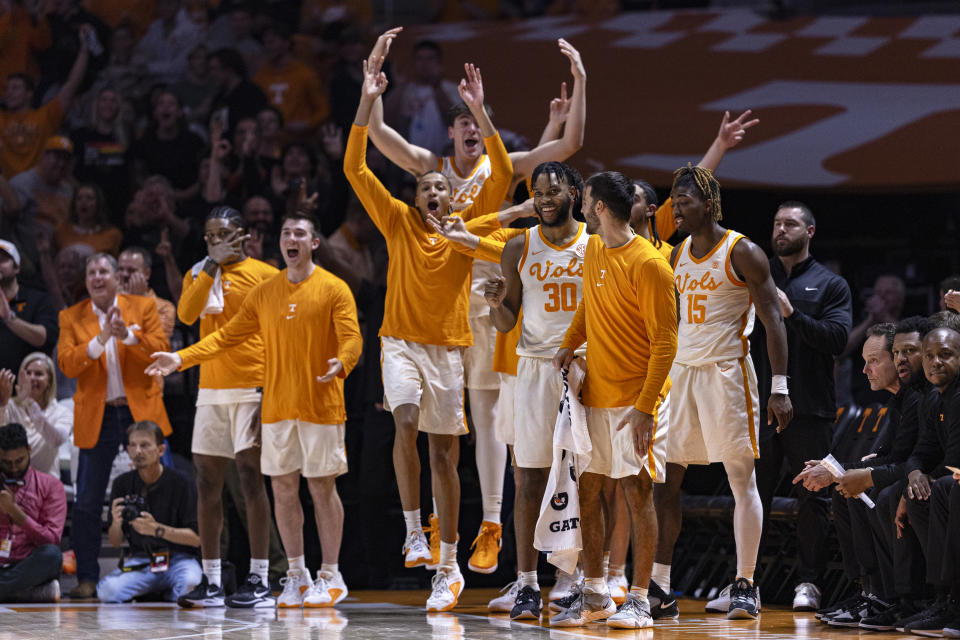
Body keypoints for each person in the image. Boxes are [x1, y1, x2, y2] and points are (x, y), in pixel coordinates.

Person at [365, 27, 586, 576]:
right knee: (434, 424)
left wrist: (576, 91)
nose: (470, 126)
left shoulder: (500, 163)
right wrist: (371, 86)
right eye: (462, 120)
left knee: (486, 419)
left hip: (487, 300)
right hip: (434, 306)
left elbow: (566, 149)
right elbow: (374, 135)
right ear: (449, 133)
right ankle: (439, 524)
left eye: (476, 121)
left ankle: (489, 524)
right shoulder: (428, 172)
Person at [345, 54, 512, 611]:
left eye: (442, 188)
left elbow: (505, 175)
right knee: (406, 421)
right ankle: (415, 529)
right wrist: (368, 101)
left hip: (449, 352)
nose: (435, 194)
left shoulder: (467, 233)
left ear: (451, 198)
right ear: (416, 199)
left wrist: (479, 111)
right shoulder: (396, 223)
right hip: (399, 344)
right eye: (427, 189)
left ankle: (447, 565)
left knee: (446, 455)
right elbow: (355, 168)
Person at [146, 212, 362, 610]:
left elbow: (352, 338)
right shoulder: (261, 289)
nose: (291, 239)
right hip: (275, 404)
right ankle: (296, 574)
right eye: (286, 233)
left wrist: (342, 363)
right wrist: (180, 359)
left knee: (318, 488)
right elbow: (222, 334)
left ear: (314, 243)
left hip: (313, 402)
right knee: (281, 488)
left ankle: (329, 574)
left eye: (299, 233)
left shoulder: (332, 287)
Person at [438, 161, 587, 619]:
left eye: (553, 190)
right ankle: (526, 583)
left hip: (584, 369)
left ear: (575, 195)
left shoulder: (595, 246)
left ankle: (581, 579)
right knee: (528, 478)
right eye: (537, 191)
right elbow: (508, 323)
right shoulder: (519, 246)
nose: (543, 198)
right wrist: (497, 305)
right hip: (532, 371)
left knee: (588, 481)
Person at [549, 171, 677, 629]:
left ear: (599, 206)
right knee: (589, 491)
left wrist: (646, 408)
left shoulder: (650, 264)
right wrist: (569, 341)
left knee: (637, 493)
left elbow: (665, 344)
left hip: (635, 404)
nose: (579, 205)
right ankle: (596, 595)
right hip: (595, 397)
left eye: (584, 199)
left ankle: (640, 599)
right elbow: (588, 305)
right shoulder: (595, 249)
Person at [665, 164, 793, 620]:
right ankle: (660, 586)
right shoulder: (676, 254)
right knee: (667, 478)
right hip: (681, 375)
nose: (677, 209)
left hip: (726, 373)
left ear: (709, 205)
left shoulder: (744, 251)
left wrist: (779, 386)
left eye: (685, 202)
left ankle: (745, 582)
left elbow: (774, 320)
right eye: (674, 202)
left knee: (742, 479)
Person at [173, 206, 279, 608]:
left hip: (252, 387)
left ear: (243, 236)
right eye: (210, 235)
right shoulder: (198, 273)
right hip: (211, 389)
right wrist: (210, 268)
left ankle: (260, 576)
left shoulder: (267, 276)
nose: (215, 240)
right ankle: (212, 580)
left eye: (223, 234)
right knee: (206, 483)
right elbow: (185, 315)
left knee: (252, 479)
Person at [751, 201, 852, 611]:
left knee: (814, 499)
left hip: (810, 410)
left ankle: (809, 583)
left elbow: (837, 341)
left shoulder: (830, 284)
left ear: (809, 231)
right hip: (756, 405)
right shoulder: (756, 274)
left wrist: (792, 315)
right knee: (752, 493)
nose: (780, 230)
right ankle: (745, 581)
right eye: (776, 223)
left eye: (790, 224)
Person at [57, 252, 172, 598]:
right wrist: (101, 337)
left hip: (141, 413)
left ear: (115, 277)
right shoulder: (70, 316)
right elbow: (66, 364)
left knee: (161, 495)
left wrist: (129, 337)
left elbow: (162, 350)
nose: (96, 276)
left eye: (103, 270)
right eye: (90, 271)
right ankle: (87, 578)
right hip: (99, 414)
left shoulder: (142, 307)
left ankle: (164, 574)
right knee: (88, 502)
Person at [96, 421, 202, 603]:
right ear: (128, 450)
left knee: (190, 585)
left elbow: (196, 539)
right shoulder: (122, 484)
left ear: (161, 450)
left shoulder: (183, 483)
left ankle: (160, 593)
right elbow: (115, 542)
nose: (138, 451)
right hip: (142, 562)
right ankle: (161, 593)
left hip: (179, 560)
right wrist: (115, 522)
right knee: (107, 591)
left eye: (145, 445)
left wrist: (157, 529)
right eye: (133, 446)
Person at [0, 29, 90, 177]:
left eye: (15, 88)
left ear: (29, 94)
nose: (9, 93)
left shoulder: (46, 116)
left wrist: (84, 50)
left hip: (38, 186)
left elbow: (72, 84)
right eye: (7, 89)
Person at [0, 422, 66, 603]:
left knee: (52, 556)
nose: (14, 468)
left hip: (28, 563)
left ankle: (9, 590)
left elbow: (51, 540)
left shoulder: (51, 486)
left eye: (19, 461)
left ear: (29, 450)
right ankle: (23, 593)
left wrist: (14, 512)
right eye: (6, 462)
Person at [0, 353, 72, 478]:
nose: (32, 378)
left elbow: (56, 440)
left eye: (38, 374)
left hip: (46, 483)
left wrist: (30, 403)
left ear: (49, 380)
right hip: (12, 481)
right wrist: (2, 403)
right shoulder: (10, 406)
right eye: (28, 373)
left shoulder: (62, 412)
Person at [0, 239, 58, 373]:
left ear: (17, 267)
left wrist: (9, 319)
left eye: (3, 260)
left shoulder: (37, 299)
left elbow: (44, 338)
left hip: (29, 386)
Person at [117, 246, 176, 340]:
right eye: (120, 269)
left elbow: (155, 344)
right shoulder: (109, 301)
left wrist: (137, 301)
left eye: (131, 270)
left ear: (147, 273)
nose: (124, 274)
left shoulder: (165, 308)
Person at [54, 184, 123, 256]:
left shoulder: (113, 235)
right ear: (74, 204)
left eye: (89, 198)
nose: (84, 202)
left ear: (98, 204)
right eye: (79, 198)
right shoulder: (61, 231)